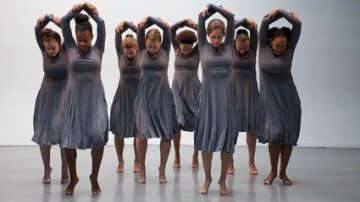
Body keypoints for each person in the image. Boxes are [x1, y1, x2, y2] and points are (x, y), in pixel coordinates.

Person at [59, 2, 108, 195]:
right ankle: (73, 178)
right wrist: (76, 10)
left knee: (97, 137)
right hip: (74, 101)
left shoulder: (98, 49)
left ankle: (94, 177)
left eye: (86, 40)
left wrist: (90, 10)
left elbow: (102, 23)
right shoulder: (70, 48)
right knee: (69, 140)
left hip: (94, 99)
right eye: (80, 40)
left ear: (92, 37)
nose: (82, 43)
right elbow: (64, 22)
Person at [194, 4, 237, 195]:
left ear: (225, 35)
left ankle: (222, 180)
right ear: (208, 35)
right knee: (206, 140)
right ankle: (207, 178)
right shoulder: (203, 45)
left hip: (226, 99)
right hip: (208, 99)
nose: (217, 40)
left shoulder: (229, 45)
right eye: (213, 37)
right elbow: (201, 19)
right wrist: (211, 8)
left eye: (219, 37)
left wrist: (219, 8)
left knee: (226, 141)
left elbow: (231, 18)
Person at [257, 8, 302, 185]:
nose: (280, 49)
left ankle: (283, 173)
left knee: (288, 136)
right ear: (270, 42)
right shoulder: (263, 46)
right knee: (275, 134)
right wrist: (275, 12)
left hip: (288, 98)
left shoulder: (290, 49)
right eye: (277, 46)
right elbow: (265, 21)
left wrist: (283, 12)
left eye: (283, 47)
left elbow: (297, 25)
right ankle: (273, 172)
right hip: (269, 99)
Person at [135, 16, 177, 183]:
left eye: (155, 45)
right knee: (141, 133)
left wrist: (155, 20)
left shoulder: (166, 50)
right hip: (145, 96)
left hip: (162, 96)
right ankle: (142, 168)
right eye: (149, 45)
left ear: (160, 43)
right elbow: (139, 28)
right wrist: (148, 19)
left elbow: (167, 29)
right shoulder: (141, 50)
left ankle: (162, 169)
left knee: (166, 134)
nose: (152, 48)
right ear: (145, 42)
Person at [32, 14, 69, 184]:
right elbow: (37, 30)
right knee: (43, 133)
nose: (49, 50)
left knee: (63, 133)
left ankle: (64, 168)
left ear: (59, 44)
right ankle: (47, 168)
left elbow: (67, 30)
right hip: (46, 95)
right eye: (47, 48)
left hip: (64, 94)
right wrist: (44, 18)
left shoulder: (68, 49)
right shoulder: (44, 50)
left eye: (53, 48)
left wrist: (55, 20)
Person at [228, 18, 259, 175]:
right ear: (234, 43)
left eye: (245, 48)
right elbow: (228, 29)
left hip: (251, 93)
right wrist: (243, 21)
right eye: (240, 48)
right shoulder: (231, 49)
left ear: (250, 45)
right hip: (234, 93)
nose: (242, 51)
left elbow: (254, 30)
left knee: (251, 129)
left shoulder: (253, 50)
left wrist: (249, 23)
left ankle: (251, 162)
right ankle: (230, 162)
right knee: (231, 129)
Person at [170, 18, 201, 169]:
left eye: (189, 48)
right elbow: (171, 30)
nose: (186, 51)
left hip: (194, 91)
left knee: (199, 123)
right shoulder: (176, 48)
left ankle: (196, 155)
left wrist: (196, 26)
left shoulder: (197, 51)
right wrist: (183, 22)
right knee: (176, 124)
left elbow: (202, 36)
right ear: (179, 45)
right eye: (184, 48)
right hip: (177, 90)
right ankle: (177, 155)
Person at [110, 21, 140, 173]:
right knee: (118, 131)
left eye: (131, 51)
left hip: (137, 97)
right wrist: (121, 26)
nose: (129, 54)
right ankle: (120, 160)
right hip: (122, 97)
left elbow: (140, 32)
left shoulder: (141, 54)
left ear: (136, 48)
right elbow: (117, 34)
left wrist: (129, 24)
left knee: (137, 131)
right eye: (126, 51)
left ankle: (137, 160)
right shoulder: (120, 54)